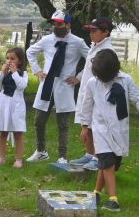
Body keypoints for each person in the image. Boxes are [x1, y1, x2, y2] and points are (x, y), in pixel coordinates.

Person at [77, 49, 139, 212]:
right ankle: (113, 200)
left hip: (119, 130)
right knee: (107, 164)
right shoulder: (92, 83)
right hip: (100, 131)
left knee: (108, 165)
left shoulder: (125, 80)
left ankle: (96, 193)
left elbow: (137, 96)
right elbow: (87, 106)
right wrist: (84, 127)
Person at [25, 10, 90, 164]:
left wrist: (79, 77)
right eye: (54, 23)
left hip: (65, 86)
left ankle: (62, 156)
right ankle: (41, 151)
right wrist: (37, 71)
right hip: (47, 85)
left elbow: (92, 59)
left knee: (63, 124)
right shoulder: (47, 40)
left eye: (59, 24)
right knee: (39, 120)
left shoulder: (78, 42)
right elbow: (30, 51)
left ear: (68, 24)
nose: (56, 26)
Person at [69, 17, 116, 171]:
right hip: (86, 90)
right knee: (87, 123)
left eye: (94, 31)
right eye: (90, 30)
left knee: (96, 125)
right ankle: (89, 153)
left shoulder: (107, 50)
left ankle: (98, 157)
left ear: (106, 32)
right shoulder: (94, 46)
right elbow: (89, 69)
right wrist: (79, 79)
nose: (91, 33)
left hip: (99, 92)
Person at [0, 47, 29, 167]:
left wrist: (15, 73)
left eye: (12, 58)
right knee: (3, 132)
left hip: (16, 105)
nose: (9, 61)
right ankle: (1, 157)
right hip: (3, 103)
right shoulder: (4, 73)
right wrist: (1, 74)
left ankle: (19, 159)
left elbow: (22, 86)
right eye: (7, 58)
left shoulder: (23, 74)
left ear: (19, 61)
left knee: (18, 133)